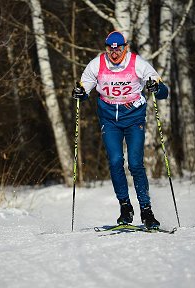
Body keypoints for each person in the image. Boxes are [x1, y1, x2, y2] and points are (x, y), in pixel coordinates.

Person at [72, 31, 169, 229]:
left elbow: (163, 93)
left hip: (134, 119)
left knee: (135, 163)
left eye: (118, 48)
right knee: (115, 161)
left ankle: (146, 211)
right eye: (110, 49)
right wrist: (80, 93)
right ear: (106, 48)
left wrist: (155, 87)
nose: (114, 53)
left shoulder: (138, 64)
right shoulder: (97, 65)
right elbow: (84, 91)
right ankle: (125, 207)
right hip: (110, 120)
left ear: (126, 47)